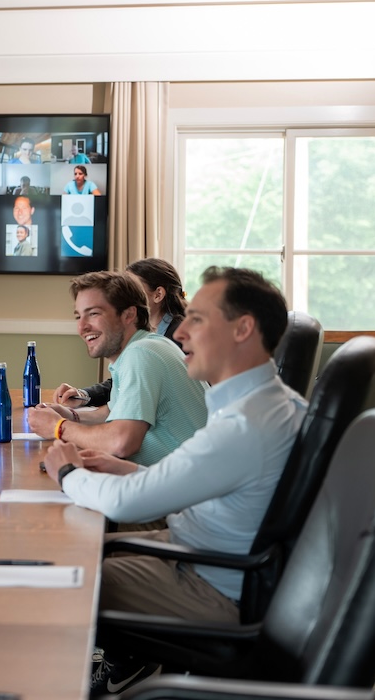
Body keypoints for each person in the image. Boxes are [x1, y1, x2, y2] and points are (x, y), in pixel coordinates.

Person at [43, 267, 306, 629]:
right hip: (198, 549)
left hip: (209, 582)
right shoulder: (268, 403)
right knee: (71, 553)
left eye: (196, 320)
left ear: (242, 329)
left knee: (63, 576)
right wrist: (128, 469)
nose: (180, 332)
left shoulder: (244, 425)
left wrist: (67, 473)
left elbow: (126, 502)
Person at [27, 271, 206, 466]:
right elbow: (111, 412)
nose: (82, 327)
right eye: (79, 317)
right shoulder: (146, 347)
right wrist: (70, 415)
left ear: (129, 315)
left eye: (93, 313)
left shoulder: (141, 354)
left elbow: (122, 442)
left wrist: (58, 427)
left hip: (185, 491)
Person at [55, 259, 187, 408]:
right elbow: (126, 383)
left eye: (133, 286)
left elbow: (124, 429)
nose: (125, 294)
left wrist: (60, 425)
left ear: (158, 294)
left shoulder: (178, 338)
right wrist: (85, 395)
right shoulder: (146, 338)